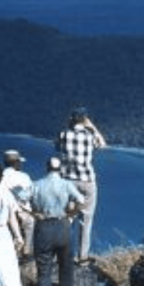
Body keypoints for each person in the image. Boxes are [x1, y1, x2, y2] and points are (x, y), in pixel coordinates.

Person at [28, 156, 85, 286]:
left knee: (44, 269)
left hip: (44, 226)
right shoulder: (67, 184)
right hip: (63, 225)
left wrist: (33, 213)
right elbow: (81, 200)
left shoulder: (36, 185)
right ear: (60, 169)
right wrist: (71, 214)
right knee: (66, 268)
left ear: (47, 167)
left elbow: (21, 199)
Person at [56, 107, 107, 264]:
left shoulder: (63, 134)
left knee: (66, 217)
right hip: (87, 181)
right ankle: (82, 256)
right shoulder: (89, 135)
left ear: (71, 118)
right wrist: (91, 126)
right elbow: (103, 145)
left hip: (67, 181)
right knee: (86, 219)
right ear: (84, 120)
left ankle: (63, 254)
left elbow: (57, 147)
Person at [0, 149, 34, 258]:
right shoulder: (24, 176)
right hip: (23, 213)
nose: (21, 164)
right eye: (19, 162)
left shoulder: (0, 176)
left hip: (5, 213)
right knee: (30, 224)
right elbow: (30, 195)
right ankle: (26, 252)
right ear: (15, 163)